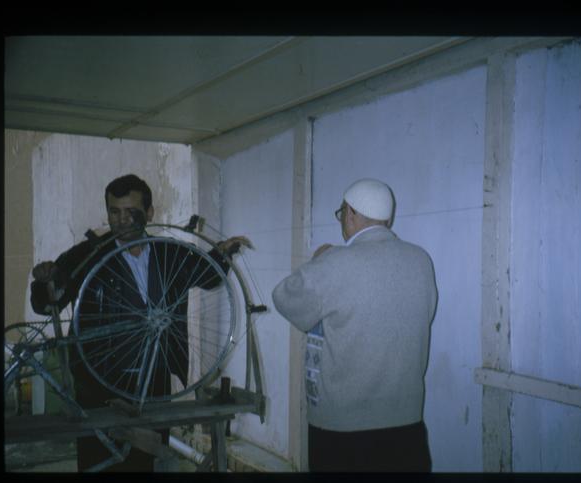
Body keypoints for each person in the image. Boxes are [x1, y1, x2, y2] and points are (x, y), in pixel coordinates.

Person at [30, 173, 251, 472]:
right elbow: (48, 303)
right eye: (114, 212)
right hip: (99, 384)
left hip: (154, 380)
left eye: (130, 212)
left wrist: (221, 254)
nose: (121, 220)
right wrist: (46, 281)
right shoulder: (88, 254)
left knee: (144, 460)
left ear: (149, 213)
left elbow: (205, 274)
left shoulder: (166, 251)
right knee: (101, 461)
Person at [272, 178, 437, 472]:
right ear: (387, 218)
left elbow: (285, 298)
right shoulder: (421, 261)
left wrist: (317, 261)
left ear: (349, 213)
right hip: (407, 428)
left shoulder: (335, 262)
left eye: (341, 214)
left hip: (343, 433)